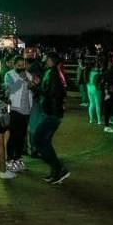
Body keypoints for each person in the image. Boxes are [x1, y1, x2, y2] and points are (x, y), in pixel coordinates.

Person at [34, 52, 71, 185]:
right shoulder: (55, 72)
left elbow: (50, 92)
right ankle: (56, 171)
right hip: (53, 113)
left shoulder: (53, 74)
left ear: (51, 60)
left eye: (47, 59)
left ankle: (59, 168)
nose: (45, 61)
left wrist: (36, 86)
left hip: (52, 114)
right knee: (45, 141)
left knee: (38, 140)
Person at [4, 56, 34, 173]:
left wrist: (33, 84)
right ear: (14, 65)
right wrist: (21, 79)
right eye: (19, 65)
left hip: (26, 110)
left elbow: (31, 90)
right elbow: (10, 90)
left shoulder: (28, 75)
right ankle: (10, 160)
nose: (21, 67)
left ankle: (18, 159)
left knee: (22, 136)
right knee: (13, 135)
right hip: (15, 109)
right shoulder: (9, 75)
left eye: (23, 65)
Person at [86, 57, 105, 126]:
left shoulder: (88, 72)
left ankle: (91, 120)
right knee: (97, 104)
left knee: (91, 104)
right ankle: (99, 120)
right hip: (96, 88)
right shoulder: (98, 73)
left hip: (89, 87)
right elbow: (101, 81)